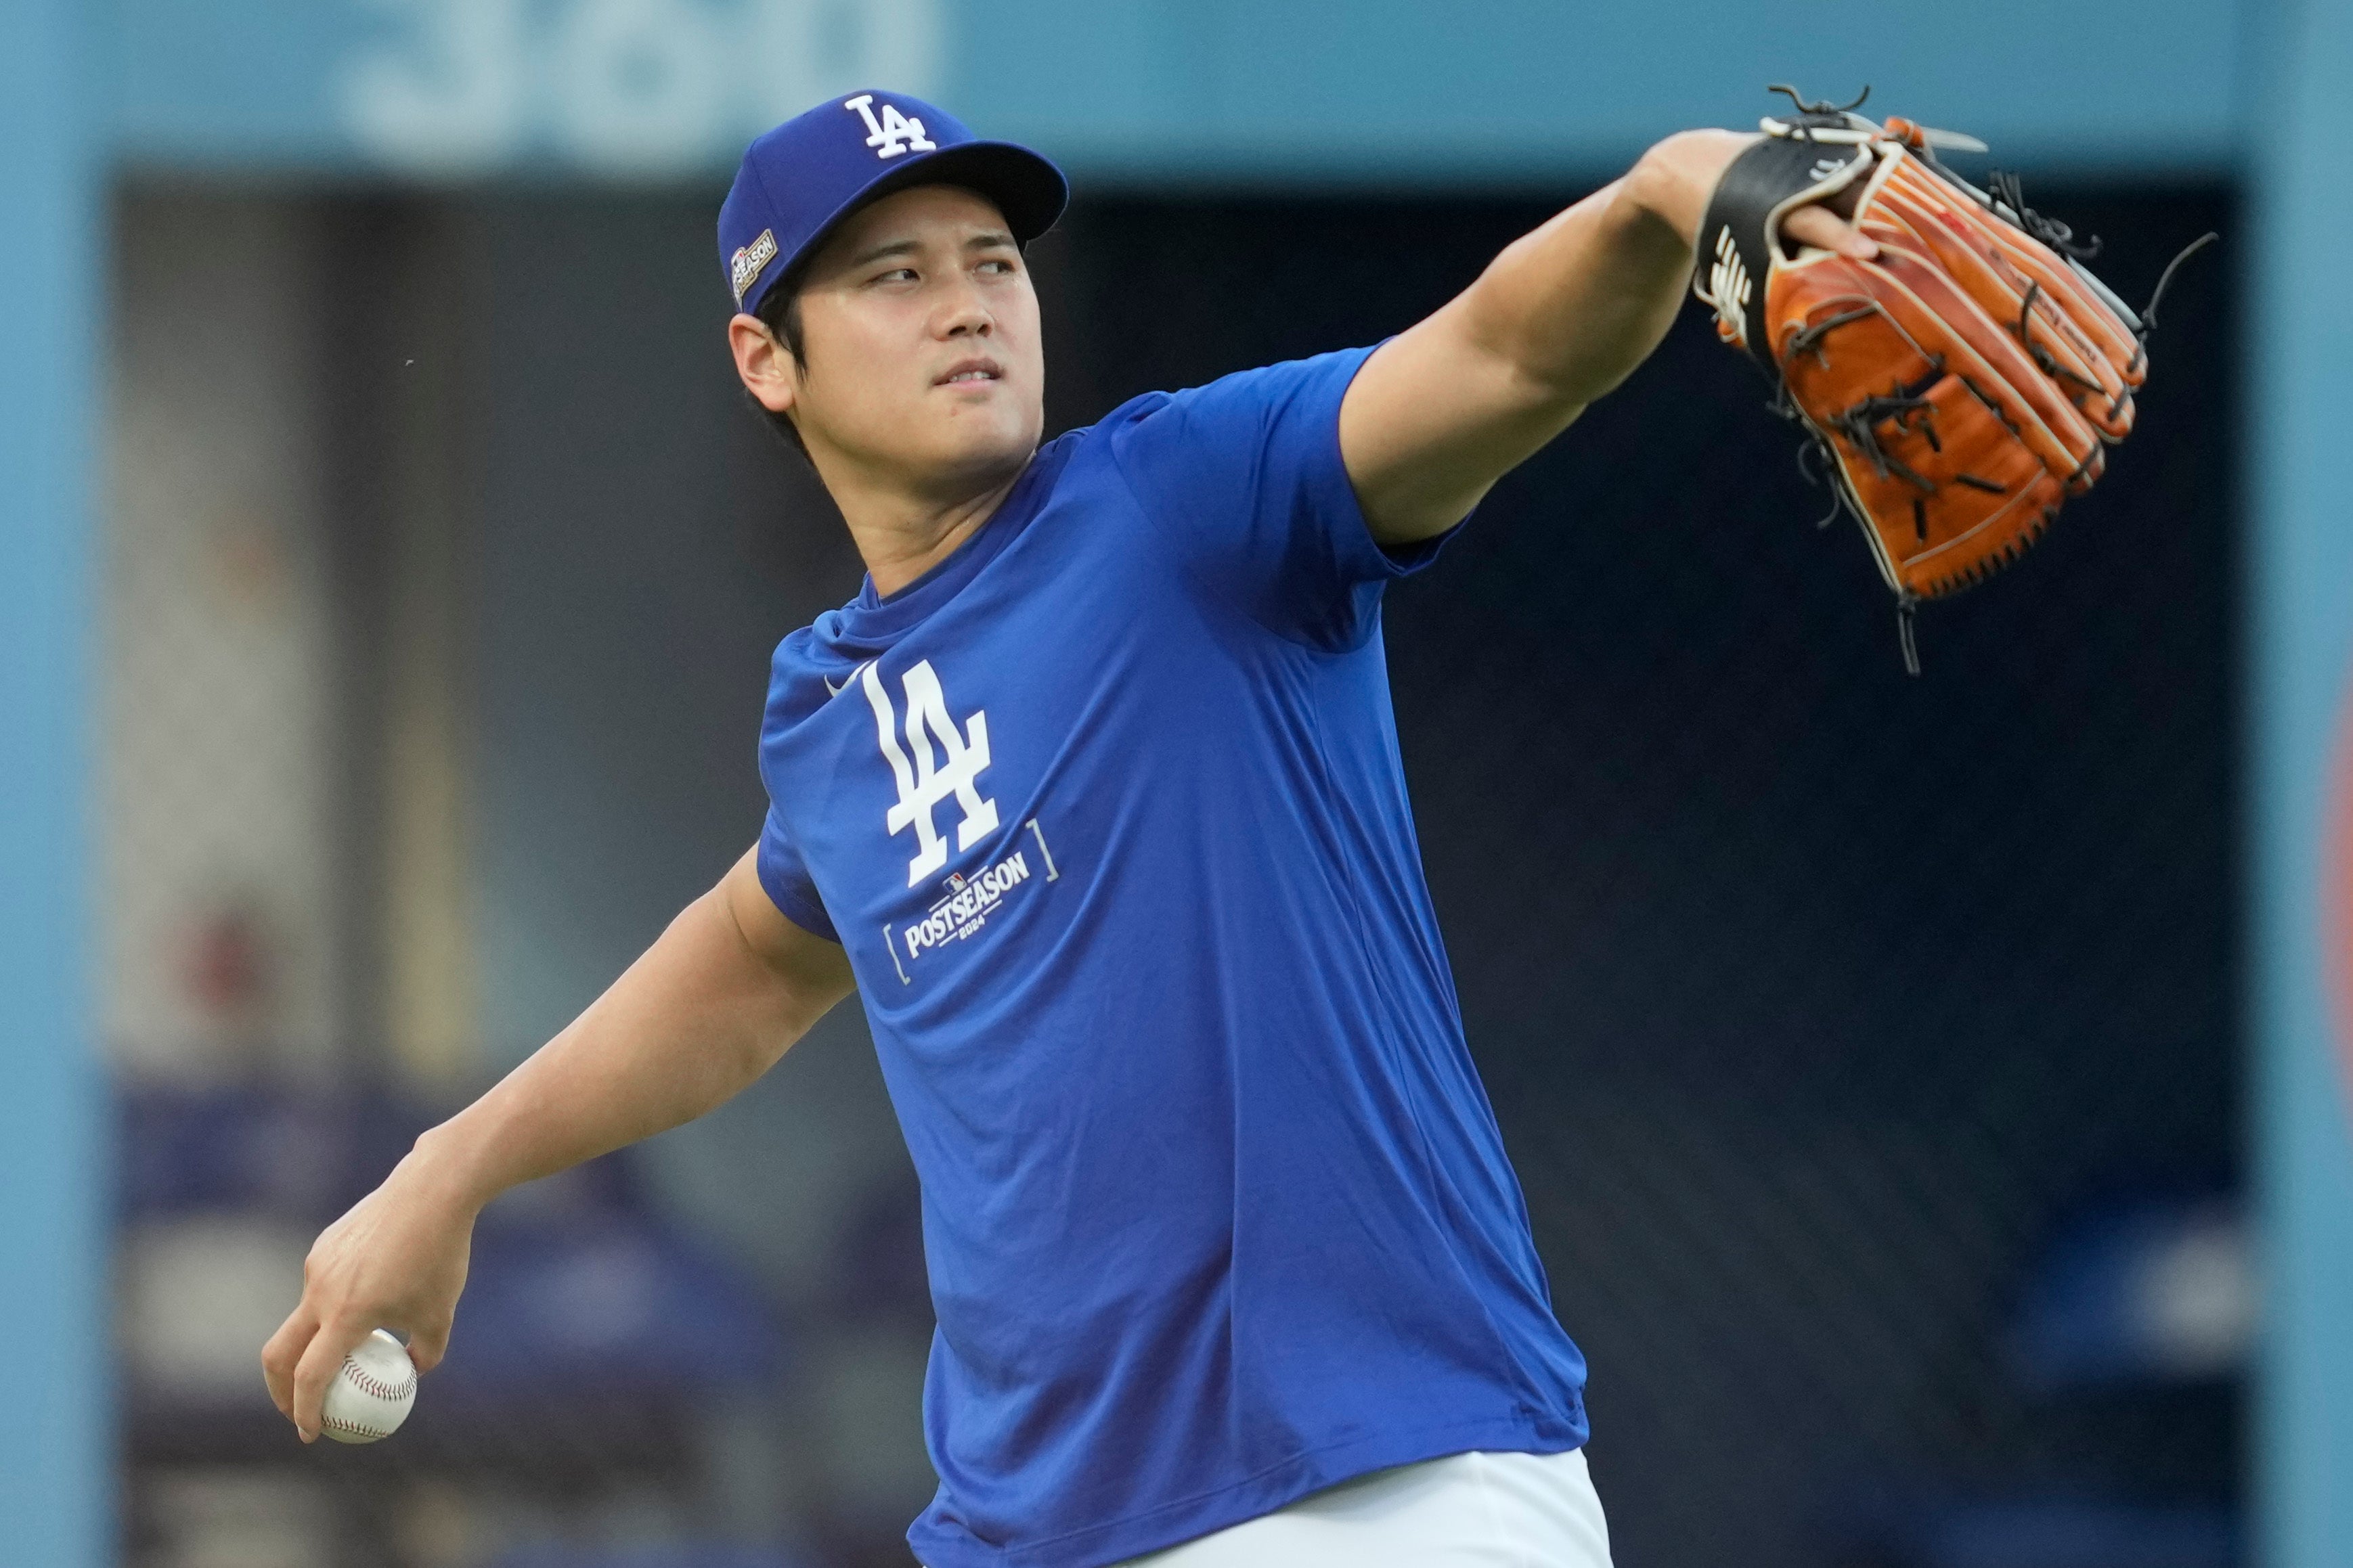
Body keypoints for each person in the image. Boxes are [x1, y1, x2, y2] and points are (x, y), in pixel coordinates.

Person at [264, 88, 1874, 1568]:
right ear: (768, 359)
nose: (968, 297)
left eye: (991, 260)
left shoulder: (1184, 505)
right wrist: (447, 1171)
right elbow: (753, 963)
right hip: (1039, 1528)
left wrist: (1668, 195)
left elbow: (1508, 357)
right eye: (891, 275)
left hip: (1373, 1487)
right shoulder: (830, 712)